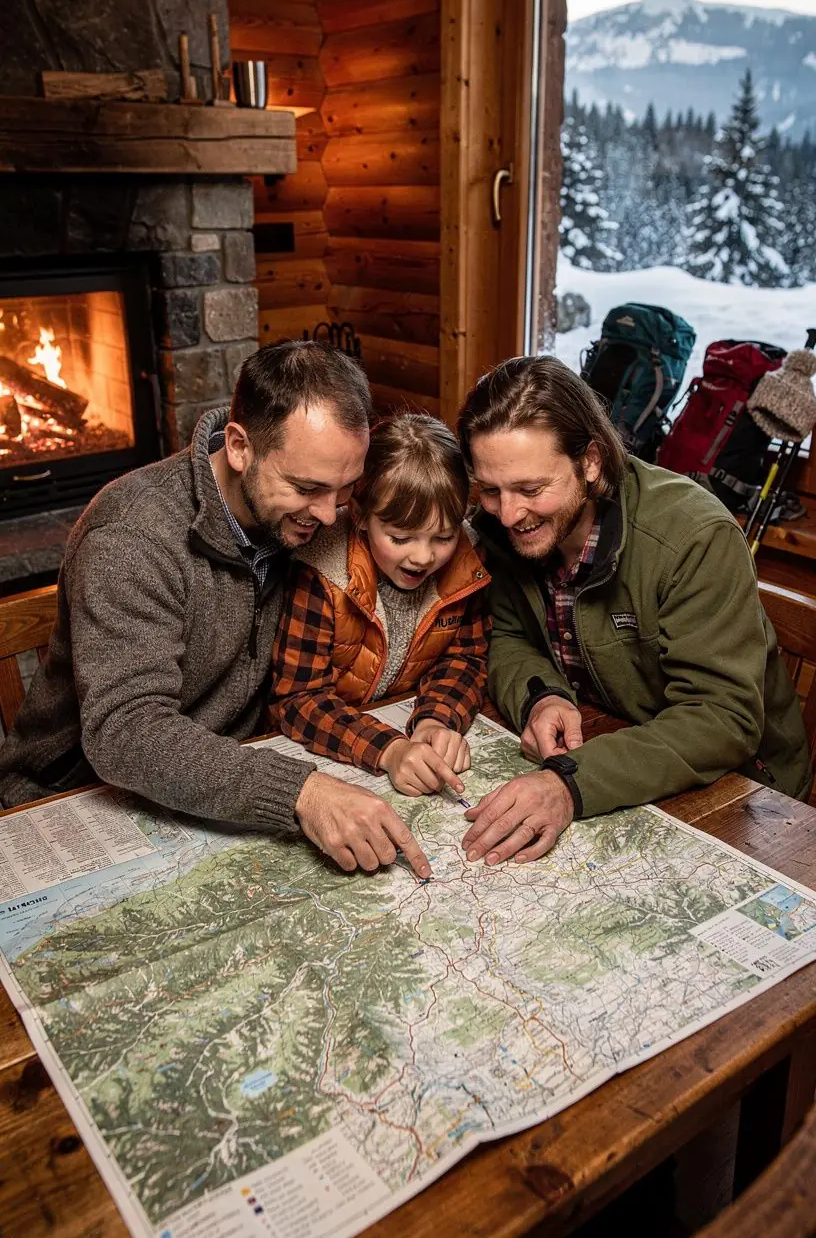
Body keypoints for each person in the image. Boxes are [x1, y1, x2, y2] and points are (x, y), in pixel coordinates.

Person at [0, 342, 431, 880]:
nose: (328, 515)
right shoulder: (132, 537)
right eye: (306, 488)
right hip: (75, 799)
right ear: (239, 447)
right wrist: (301, 790)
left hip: (220, 776)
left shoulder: (296, 514)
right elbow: (125, 731)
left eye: (345, 490)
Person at [455, 355, 812, 868]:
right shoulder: (511, 529)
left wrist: (567, 784)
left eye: (531, 490)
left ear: (591, 463)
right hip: (618, 743)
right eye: (490, 490)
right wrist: (540, 695)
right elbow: (508, 637)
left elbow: (721, 719)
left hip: (748, 791)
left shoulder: (695, 537)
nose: (508, 514)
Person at [269, 414, 491, 796]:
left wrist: (436, 721)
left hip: (400, 719)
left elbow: (465, 659)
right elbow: (296, 698)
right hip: (332, 744)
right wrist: (388, 749)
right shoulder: (321, 570)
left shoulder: (468, 564)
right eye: (401, 538)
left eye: (443, 536)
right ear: (359, 516)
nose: (423, 557)